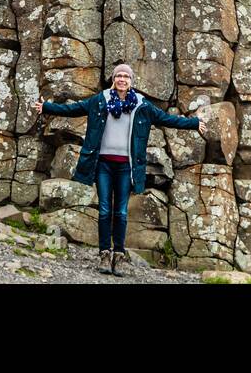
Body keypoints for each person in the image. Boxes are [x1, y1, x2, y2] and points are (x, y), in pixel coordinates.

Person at [35, 63, 201, 276]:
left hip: (126, 167)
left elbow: (167, 119)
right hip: (103, 164)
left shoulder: (141, 105)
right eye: (119, 76)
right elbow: (74, 109)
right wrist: (47, 108)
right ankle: (104, 254)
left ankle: (119, 255)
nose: (122, 79)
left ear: (131, 81)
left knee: (121, 212)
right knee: (104, 209)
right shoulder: (100, 100)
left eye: (126, 76)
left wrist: (194, 123)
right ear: (113, 79)